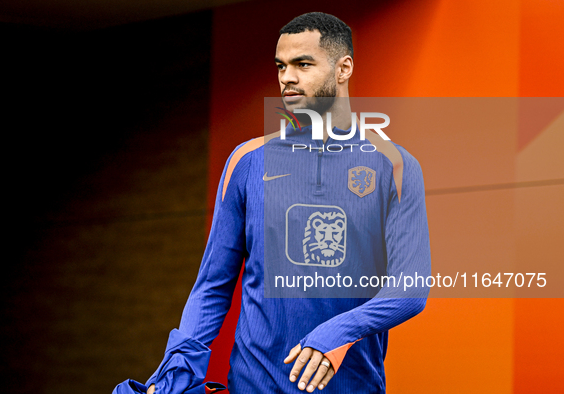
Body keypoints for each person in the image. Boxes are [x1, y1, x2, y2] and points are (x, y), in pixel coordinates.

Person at [146, 12, 430, 393]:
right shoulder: (247, 161)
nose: (287, 78)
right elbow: (212, 286)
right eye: (281, 66)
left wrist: (336, 333)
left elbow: (409, 290)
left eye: (303, 64)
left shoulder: (394, 166)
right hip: (253, 383)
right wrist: (175, 371)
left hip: (351, 386)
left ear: (343, 68)